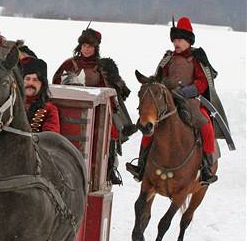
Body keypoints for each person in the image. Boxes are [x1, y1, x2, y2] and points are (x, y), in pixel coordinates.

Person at [126, 16, 224, 185]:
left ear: (188, 41)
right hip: (166, 100)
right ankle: (141, 164)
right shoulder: (168, 57)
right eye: (175, 40)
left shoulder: (197, 58)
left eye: (180, 40)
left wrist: (186, 92)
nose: (176, 43)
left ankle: (207, 167)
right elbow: (159, 77)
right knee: (150, 125)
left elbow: (202, 82)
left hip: (190, 101)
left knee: (206, 125)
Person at [53, 26, 134, 185]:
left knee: (110, 132)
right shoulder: (69, 64)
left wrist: (114, 81)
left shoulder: (102, 66)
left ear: (95, 48)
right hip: (70, 110)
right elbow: (56, 86)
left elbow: (114, 93)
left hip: (98, 112)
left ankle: (109, 169)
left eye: (89, 46)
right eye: (84, 45)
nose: (86, 49)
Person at [20, 56, 60, 133]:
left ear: (42, 84)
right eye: (27, 79)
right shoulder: (13, 104)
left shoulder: (49, 109)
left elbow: (50, 138)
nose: (30, 83)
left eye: (35, 80)